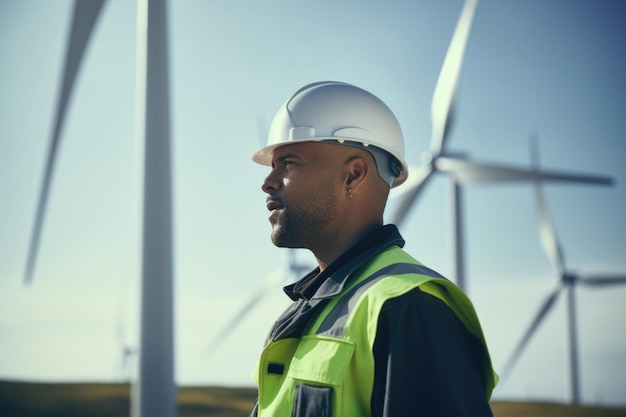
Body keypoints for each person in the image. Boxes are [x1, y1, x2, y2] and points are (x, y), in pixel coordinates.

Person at [249, 81, 497, 417]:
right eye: (273, 165)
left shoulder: (409, 308)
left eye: (288, 163)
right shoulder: (305, 311)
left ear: (353, 175)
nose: (268, 181)